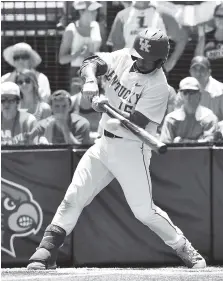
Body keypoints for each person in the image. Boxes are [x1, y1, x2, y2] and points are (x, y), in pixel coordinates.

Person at [27, 28, 206, 270]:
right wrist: (91, 80)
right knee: (74, 196)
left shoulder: (159, 86)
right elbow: (91, 62)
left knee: (144, 212)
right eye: (139, 55)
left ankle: (184, 247)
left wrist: (107, 107)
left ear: (160, 60)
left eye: (147, 58)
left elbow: (137, 123)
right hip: (103, 144)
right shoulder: (124, 56)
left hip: (132, 149)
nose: (140, 60)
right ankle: (46, 250)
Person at [106, 1, 189, 73]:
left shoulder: (163, 14)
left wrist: (169, 65)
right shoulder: (122, 15)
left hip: (155, 74)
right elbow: (117, 50)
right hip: (130, 74)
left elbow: (182, 38)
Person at [59, 0, 102, 95]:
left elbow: (98, 50)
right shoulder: (71, 29)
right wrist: (79, 54)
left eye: (96, 10)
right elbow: (62, 59)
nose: (96, 12)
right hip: (77, 72)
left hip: (95, 70)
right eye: (92, 10)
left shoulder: (96, 25)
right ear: (81, 11)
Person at [160, 77, 218, 144]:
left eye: (192, 92)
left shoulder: (209, 118)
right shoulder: (171, 119)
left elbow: (210, 144)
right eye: (185, 92)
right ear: (180, 94)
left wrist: (183, 141)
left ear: (199, 94)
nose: (188, 96)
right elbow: (165, 146)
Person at [175, 56, 223, 123]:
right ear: (190, 72)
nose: (198, 73)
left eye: (202, 69)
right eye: (194, 69)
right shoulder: (184, 91)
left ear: (209, 72)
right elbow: (176, 117)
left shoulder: (221, 91)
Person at [194, 2, 223, 83]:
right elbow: (197, 60)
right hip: (210, 85)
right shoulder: (206, 37)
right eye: (218, 16)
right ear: (214, 17)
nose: (221, 19)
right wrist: (202, 36)